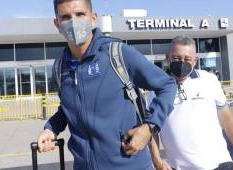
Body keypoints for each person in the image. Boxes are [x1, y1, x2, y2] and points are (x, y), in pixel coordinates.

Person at [37, 0, 177, 169]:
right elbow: (67, 108)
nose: (73, 22)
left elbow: (167, 85)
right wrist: (51, 129)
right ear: (57, 24)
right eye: (66, 17)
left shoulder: (118, 54)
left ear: (93, 18)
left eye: (80, 14)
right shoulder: (61, 67)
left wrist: (148, 128)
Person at [149, 36, 233, 170]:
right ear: (168, 57)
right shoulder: (156, 89)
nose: (182, 63)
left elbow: (226, 117)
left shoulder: (209, 80)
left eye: (187, 59)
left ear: (195, 61)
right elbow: (151, 128)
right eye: (176, 58)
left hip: (219, 165)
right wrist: (157, 160)